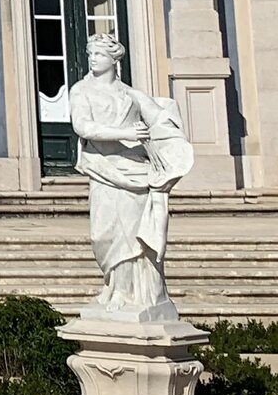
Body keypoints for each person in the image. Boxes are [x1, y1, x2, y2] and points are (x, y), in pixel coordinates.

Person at [67, 33, 193, 319]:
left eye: (99, 54)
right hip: (104, 170)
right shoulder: (81, 91)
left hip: (136, 171)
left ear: (114, 60)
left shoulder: (132, 95)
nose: (93, 59)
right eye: (90, 54)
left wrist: (168, 141)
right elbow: (83, 127)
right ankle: (113, 285)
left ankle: (131, 293)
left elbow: (163, 120)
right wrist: (125, 132)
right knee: (104, 233)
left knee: (133, 237)